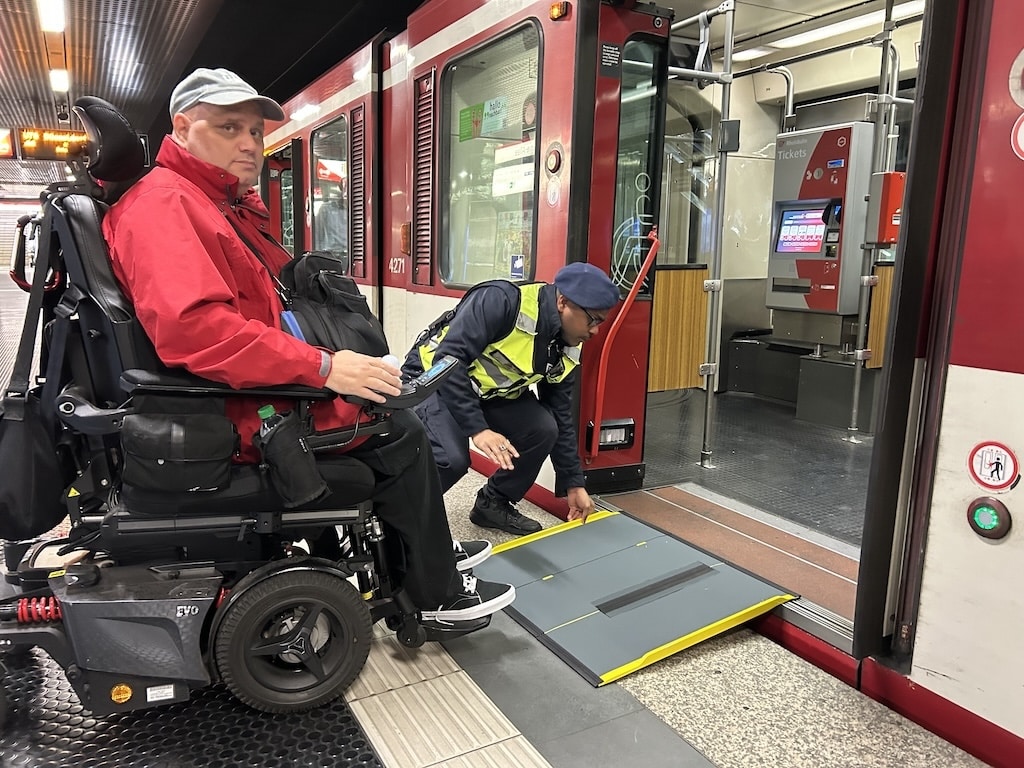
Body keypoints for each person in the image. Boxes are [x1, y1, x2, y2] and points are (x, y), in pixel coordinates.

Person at [101, 67, 514, 632]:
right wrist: (325, 367)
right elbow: (197, 332)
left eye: (255, 130)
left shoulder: (216, 202)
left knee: (387, 402)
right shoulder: (165, 205)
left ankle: (422, 557)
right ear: (183, 126)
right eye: (229, 127)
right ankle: (433, 590)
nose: (249, 142)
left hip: (248, 392)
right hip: (240, 411)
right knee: (400, 433)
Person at [403, 262, 620, 535]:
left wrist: (573, 483)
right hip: (433, 378)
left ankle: (492, 504)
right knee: (451, 458)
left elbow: (560, 415)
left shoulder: (568, 346)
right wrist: (479, 430)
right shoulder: (502, 301)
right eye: (593, 320)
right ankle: (400, 518)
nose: (595, 331)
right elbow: (450, 361)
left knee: (544, 428)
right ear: (563, 301)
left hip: (488, 393)